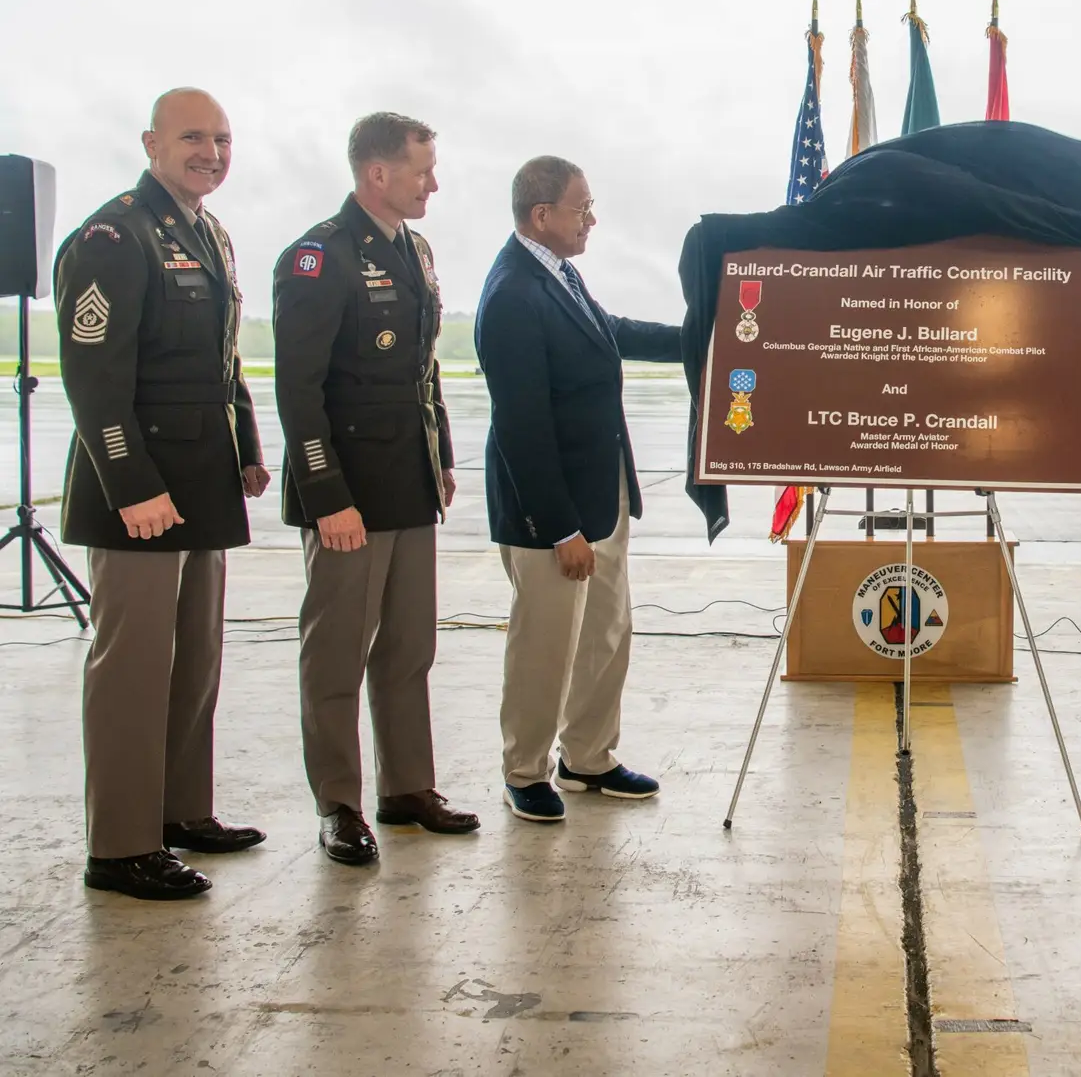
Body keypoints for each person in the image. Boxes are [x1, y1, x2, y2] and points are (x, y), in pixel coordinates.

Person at [55, 88, 268, 900]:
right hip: (139, 493)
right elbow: (93, 378)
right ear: (151, 142)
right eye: (192, 138)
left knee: (195, 663)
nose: (210, 152)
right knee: (134, 670)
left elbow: (224, 360)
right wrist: (132, 485)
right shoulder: (115, 236)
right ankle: (118, 846)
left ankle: (182, 814)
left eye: (221, 138)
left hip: (203, 483)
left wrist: (246, 447)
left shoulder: (205, 232)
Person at [272, 112, 478, 866]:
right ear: (376, 174)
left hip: (408, 480)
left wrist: (443, 455)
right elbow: (299, 390)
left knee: (407, 649)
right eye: (422, 169)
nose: (434, 182)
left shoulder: (414, 251)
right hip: (348, 491)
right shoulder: (318, 258)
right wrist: (328, 498)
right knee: (334, 658)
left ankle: (406, 790)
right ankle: (338, 804)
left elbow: (424, 371)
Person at [475, 156, 683, 823]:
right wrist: (560, 528)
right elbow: (522, 426)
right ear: (542, 216)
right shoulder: (512, 295)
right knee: (546, 645)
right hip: (552, 511)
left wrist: (697, 338)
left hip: (600, 495)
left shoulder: (558, 276)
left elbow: (610, 334)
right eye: (582, 208)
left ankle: (588, 756)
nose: (592, 219)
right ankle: (525, 768)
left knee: (604, 633)